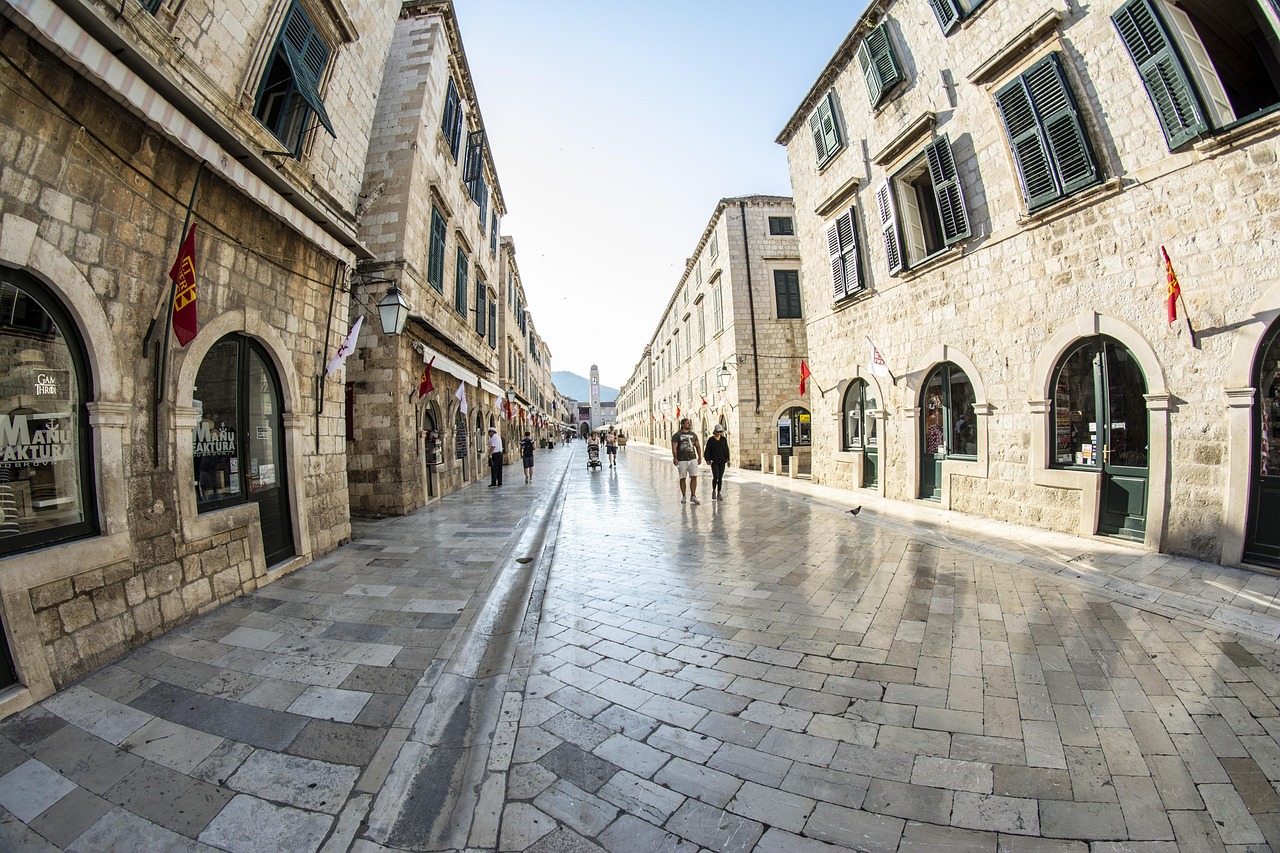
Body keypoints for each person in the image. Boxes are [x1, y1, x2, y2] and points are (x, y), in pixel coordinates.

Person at [670, 417, 702, 503]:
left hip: (692, 458)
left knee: (694, 476)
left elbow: (698, 446)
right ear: (682, 424)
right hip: (682, 459)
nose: (689, 424)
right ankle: (684, 495)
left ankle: (693, 495)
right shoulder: (676, 435)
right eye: (687, 423)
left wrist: (699, 457)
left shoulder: (694, 435)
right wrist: (675, 458)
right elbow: (674, 447)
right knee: (682, 477)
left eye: (689, 423)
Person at [703, 424, 730, 500]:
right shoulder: (711, 440)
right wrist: (707, 459)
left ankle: (719, 492)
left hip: (722, 460)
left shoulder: (723, 439)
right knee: (716, 476)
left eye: (720, 432)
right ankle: (714, 490)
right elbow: (707, 451)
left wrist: (728, 459)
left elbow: (726, 449)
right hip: (714, 461)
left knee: (720, 477)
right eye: (718, 432)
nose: (719, 433)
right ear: (715, 431)